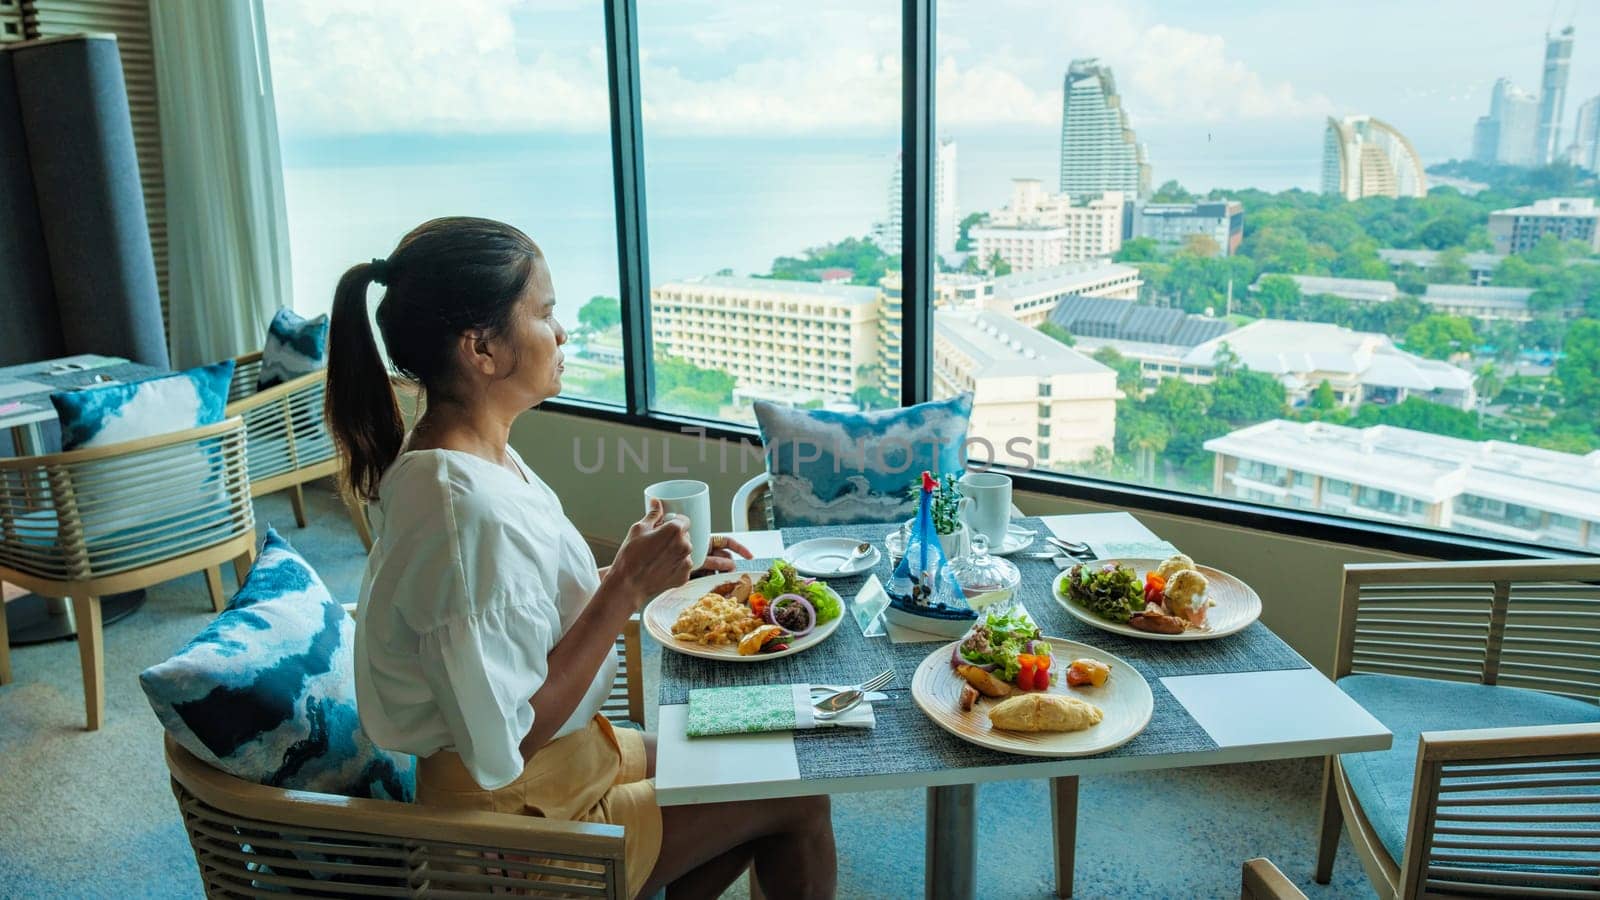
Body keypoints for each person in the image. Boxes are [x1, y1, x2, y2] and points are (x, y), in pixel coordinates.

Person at [325, 217, 837, 899]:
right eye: (545, 313)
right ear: (481, 347)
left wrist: (649, 573)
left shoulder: (479, 457)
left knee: (759, 759)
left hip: (580, 755)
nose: (562, 333)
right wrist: (624, 587)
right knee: (796, 801)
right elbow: (506, 741)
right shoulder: (460, 511)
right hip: (516, 829)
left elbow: (517, 610)